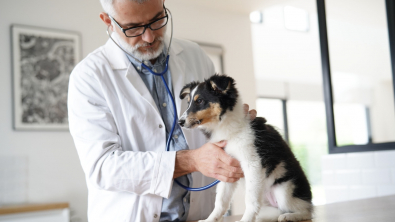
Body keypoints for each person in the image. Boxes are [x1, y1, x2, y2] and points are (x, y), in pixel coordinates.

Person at [68, 0, 256, 221]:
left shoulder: (194, 55)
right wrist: (191, 161)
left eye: (157, 20)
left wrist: (231, 123)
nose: (149, 37)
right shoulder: (90, 77)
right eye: (134, 27)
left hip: (200, 215)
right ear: (108, 21)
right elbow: (102, 167)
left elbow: (211, 132)